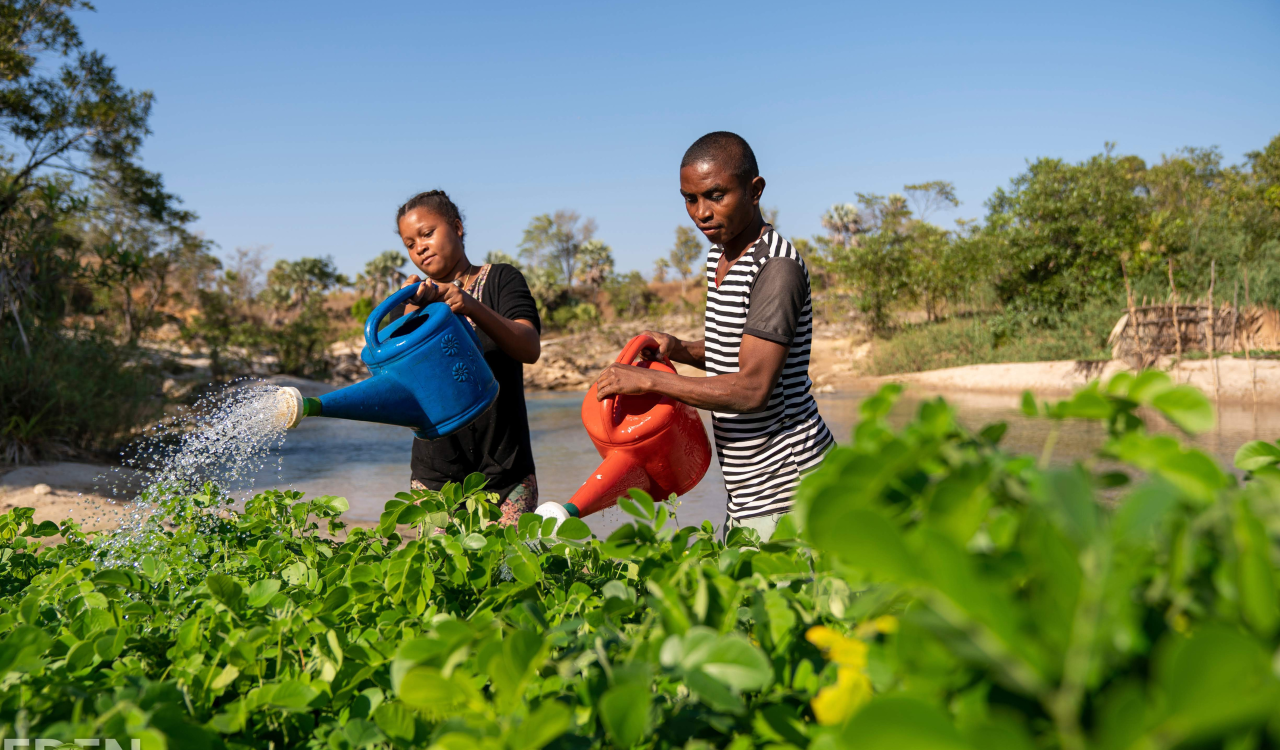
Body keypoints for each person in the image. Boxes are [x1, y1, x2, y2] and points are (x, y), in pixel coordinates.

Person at [593, 132, 833, 540]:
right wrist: (680, 349)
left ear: (754, 190)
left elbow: (753, 387)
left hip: (791, 485)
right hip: (748, 490)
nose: (701, 212)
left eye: (715, 196)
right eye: (690, 199)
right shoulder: (718, 257)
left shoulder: (776, 268)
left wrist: (651, 380)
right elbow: (735, 352)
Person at [392, 190, 542, 526]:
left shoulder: (501, 280)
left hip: (506, 473)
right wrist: (409, 313)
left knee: (509, 575)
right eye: (409, 243)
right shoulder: (409, 304)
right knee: (442, 577)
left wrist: (471, 305)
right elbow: (396, 384)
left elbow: (529, 348)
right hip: (435, 478)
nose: (419, 247)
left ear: (457, 227)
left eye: (427, 233)